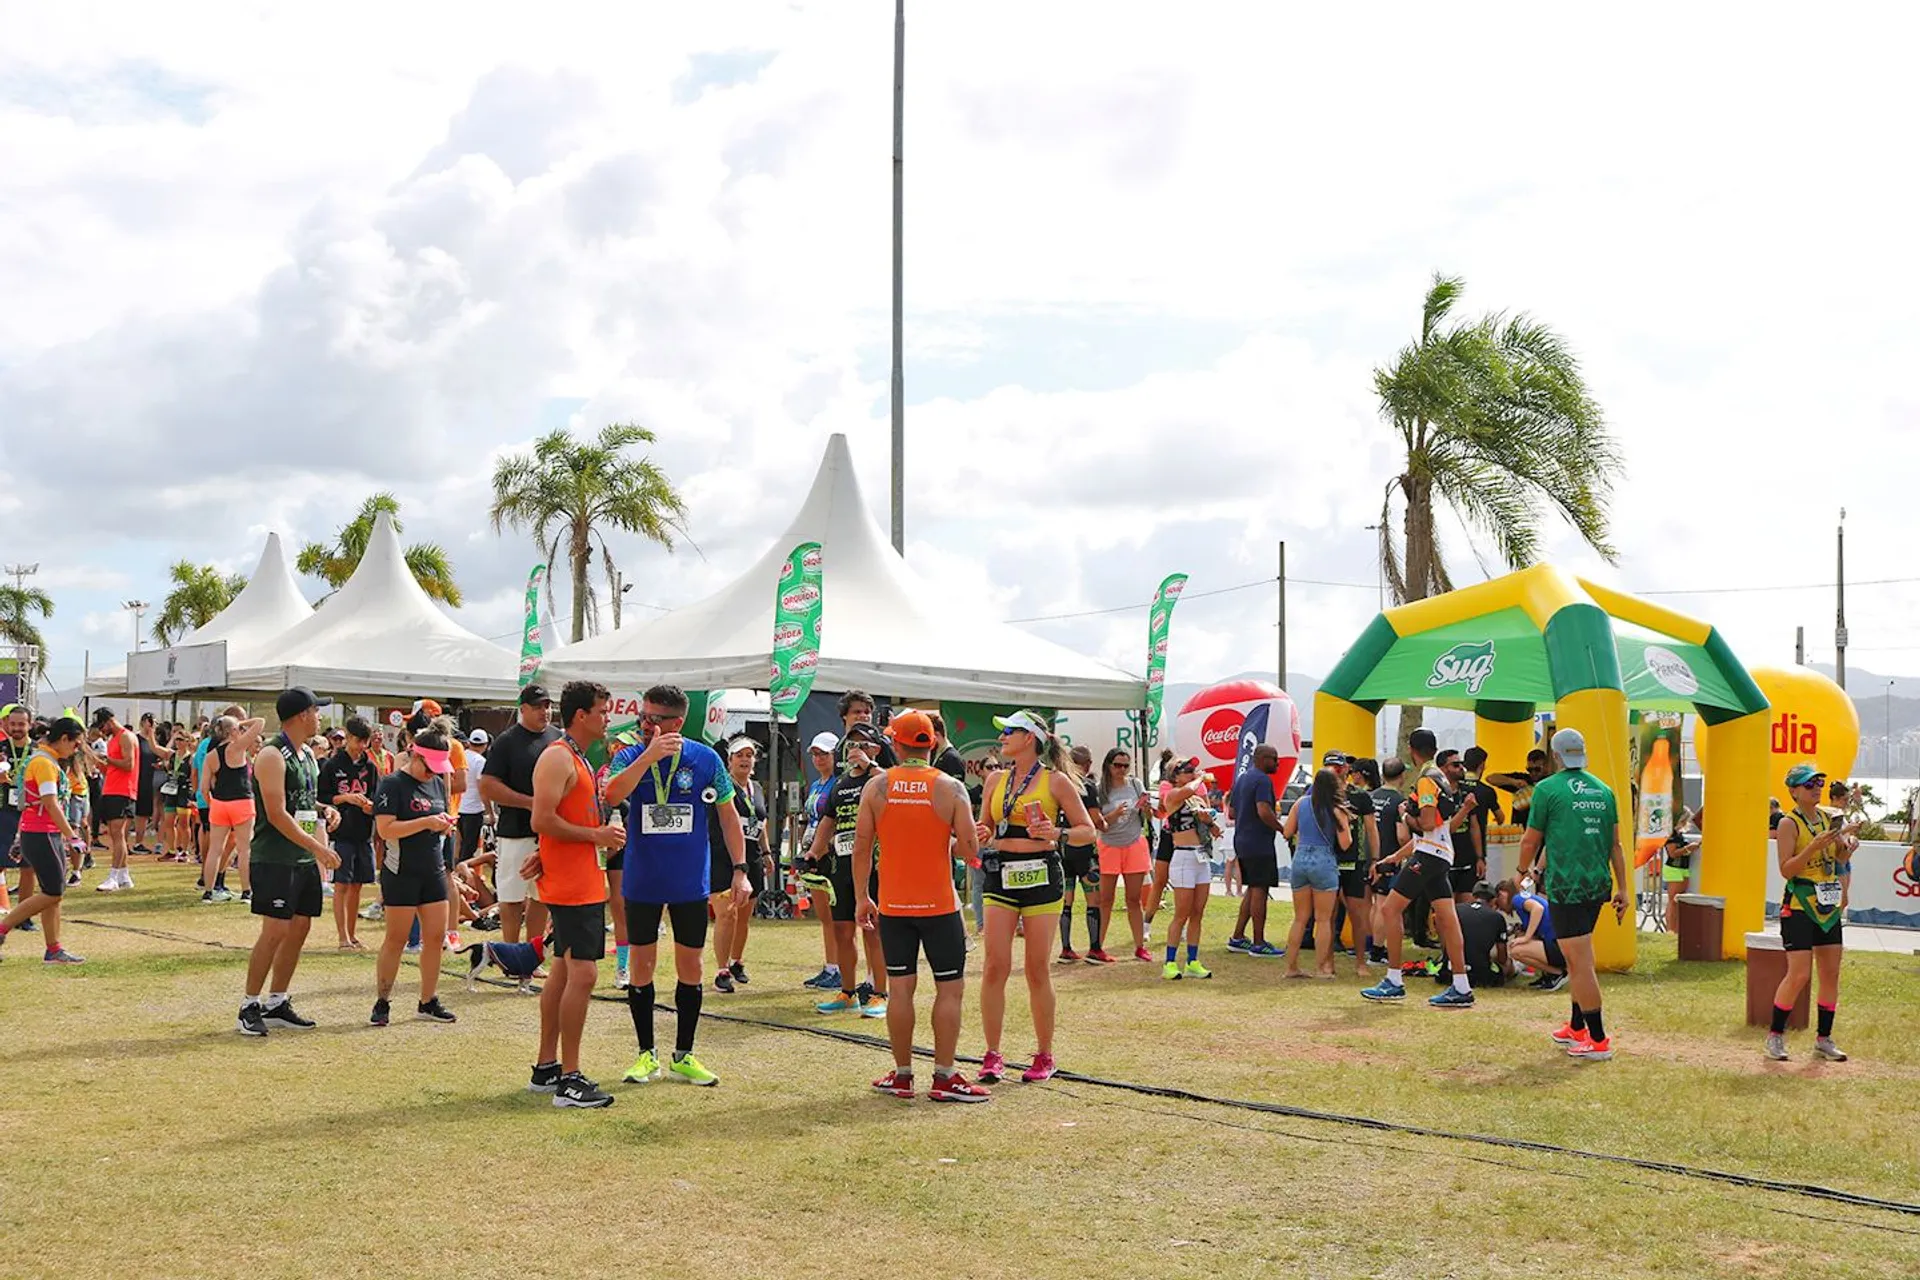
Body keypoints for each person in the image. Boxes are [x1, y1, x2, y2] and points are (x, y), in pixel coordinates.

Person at [603, 684, 748, 1087]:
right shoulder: (629, 754)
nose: (645, 723)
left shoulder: (706, 758)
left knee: (691, 965)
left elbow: (729, 815)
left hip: (689, 881)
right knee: (642, 966)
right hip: (642, 878)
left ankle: (684, 1054)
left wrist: (740, 869)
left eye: (654, 718)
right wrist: (648, 754)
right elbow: (612, 793)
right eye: (643, 716)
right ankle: (645, 1054)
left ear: (678, 722)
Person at [853, 710, 990, 1102]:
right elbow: (969, 852)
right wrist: (966, 838)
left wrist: (863, 896)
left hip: (894, 905)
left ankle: (903, 1074)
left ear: (895, 745)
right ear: (931, 744)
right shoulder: (951, 788)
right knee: (949, 989)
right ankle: (945, 1076)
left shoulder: (877, 787)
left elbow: (861, 847)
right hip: (939, 905)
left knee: (900, 990)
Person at [973, 710, 1095, 1082]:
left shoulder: (1056, 781)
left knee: (1037, 969)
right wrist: (979, 832)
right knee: (995, 965)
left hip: (1042, 872)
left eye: (1009, 731)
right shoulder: (996, 778)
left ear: (1030, 738)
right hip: (1001, 874)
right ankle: (992, 1054)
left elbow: (1087, 832)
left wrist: (1054, 833)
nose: (1003, 737)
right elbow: (986, 826)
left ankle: (1044, 1055)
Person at [524, 681, 627, 1108]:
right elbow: (541, 819)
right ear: (581, 715)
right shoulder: (557, 756)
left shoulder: (576, 757)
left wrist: (558, 850)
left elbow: (556, 822)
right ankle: (570, 1077)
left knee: (565, 973)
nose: (608, 717)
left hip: (577, 878)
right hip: (572, 885)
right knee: (581, 975)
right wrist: (597, 835)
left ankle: (548, 1066)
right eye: (602, 711)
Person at [1515, 728, 1629, 1062]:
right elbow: (1616, 845)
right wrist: (1623, 887)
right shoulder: (1604, 790)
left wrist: (1522, 873)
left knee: (1578, 961)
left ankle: (1597, 1038)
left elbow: (1530, 840)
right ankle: (1578, 1027)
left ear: (1555, 755)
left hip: (1567, 886)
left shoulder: (1547, 789)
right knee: (1580, 954)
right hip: (1597, 885)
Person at [235, 689, 342, 1036]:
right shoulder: (271, 755)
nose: (321, 717)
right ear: (299, 716)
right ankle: (249, 1004)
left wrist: (326, 811)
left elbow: (302, 805)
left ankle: (277, 1001)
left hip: (301, 857)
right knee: (275, 930)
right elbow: (277, 814)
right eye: (316, 711)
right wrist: (318, 848)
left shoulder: (308, 753)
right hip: (274, 857)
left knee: (300, 928)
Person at [1361, 728, 1478, 1009]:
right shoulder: (1440, 778)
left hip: (1428, 856)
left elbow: (1425, 824)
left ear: (1411, 750)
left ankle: (1394, 980)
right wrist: (1393, 857)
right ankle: (1461, 985)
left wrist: (1403, 813)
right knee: (1447, 919)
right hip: (1439, 854)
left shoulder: (1426, 780)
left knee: (1389, 909)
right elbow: (1435, 830)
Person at [363, 728, 458, 1026]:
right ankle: (382, 1000)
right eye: (429, 767)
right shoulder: (393, 784)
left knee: (434, 938)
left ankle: (428, 1000)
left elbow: (436, 822)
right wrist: (426, 822)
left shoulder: (438, 784)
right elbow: (385, 829)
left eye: (438, 769)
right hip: (400, 871)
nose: (433, 774)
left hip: (432, 870)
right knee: (396, 939)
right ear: (416, 755)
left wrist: (443, 827)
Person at [1764, 762, 1857, 1063]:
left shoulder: (1830, 818)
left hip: (1827, 904)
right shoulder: (1788, 824)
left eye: (1819, 783)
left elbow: (1838, 859)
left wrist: (1848, 847)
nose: (1817, 788)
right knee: (1799, 974)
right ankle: (1776, 1035)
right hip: (1800, 903)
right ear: (1793, 791)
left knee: (1831, 973)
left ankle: (1824, 1038)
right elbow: (1786, 869)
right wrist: (1812, 848)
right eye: (1809, 784)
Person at [802, 722, 891, 1017]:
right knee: (842, 929)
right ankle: (848, 992)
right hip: (842, 866)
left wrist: (872, 766)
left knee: (873, 930)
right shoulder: (840, 783)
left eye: (863, 745)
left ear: (876, 749)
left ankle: (879, 993)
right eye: (852, 745)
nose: (856, 750)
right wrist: (814, 851)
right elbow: (829, 819)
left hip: (875, 866)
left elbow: (892, 791)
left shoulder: (880, 777)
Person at [0, 715, 89, 963]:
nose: (76, 749)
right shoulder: (44, 763)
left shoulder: (46, 760)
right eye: (75, 743)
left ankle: (54, 949)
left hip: (44, 833)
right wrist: (72, 837)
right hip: (41, 833)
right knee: (53, 892)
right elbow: (49, 802)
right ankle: (2, 928)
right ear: (63, 739)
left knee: (54, 892)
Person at [479, 684, 561, 947]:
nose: (544, 711)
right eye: (538, 706)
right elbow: (488, 785)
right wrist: (527, 802)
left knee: (541, 896)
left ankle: (531, 954)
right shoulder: (507, 741)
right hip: (515, 831)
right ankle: (510, 952)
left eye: (547, 705)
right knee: (512, 895)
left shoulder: (558, 738)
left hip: (550, 831)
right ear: (522, 709)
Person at [710, 736, 769, 993]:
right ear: (729, 760)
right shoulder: (722, 786)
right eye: (739, 755)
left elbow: (761, 822)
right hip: (723, 857)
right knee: (726, 914)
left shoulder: (756, 788)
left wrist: (766, 852)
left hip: (752, 857)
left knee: (744, 915)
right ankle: (721, 969)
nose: (744, 759)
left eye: (749, 755)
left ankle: (736, 962)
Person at [1157, 758, 1222, 980]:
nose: (1193, 773)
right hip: (1183, 855)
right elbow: (1184, 793)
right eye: (1188, 771)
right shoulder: (1172, 794)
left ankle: (1193, 961)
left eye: (1193, 770)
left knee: (1197, 912)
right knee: (1181, 913)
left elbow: (1211, 828)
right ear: (1175, 775)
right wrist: (1200, 778)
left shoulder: (1196, 796)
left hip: (1200, 857)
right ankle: (1169, 962)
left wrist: (1209, 823)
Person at [1281, 768, 1348, 978]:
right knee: (1323, 919)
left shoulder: (1300, 803)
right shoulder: (1337, 809)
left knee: (1300, 918)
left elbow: (1286, 831)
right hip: (1324, 860)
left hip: (1300, 858)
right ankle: (1321, 968)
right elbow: (1346, 844)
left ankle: (1291, 967)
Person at [321, 716, 381, 949]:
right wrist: (346, 798)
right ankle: (342, 936)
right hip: (342, 833)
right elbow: (323, 798)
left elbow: (377, 799)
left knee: (357, 884)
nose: (362, 746)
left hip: (364, 833)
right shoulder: (332, 765)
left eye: (365, 741)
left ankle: (353, 934)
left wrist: (369, 807)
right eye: (358, 741)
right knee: (342, 885)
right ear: (348, 737)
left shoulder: (371, 767)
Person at [1091, 747, 1152, 964]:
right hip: (1108, 845)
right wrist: (1114, 815)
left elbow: (1149, 813)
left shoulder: (1136, 785)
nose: (1122, 769)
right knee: (1105, 900)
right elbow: (1098, 824)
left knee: (1134, 899)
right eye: (1117, 765)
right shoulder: (1100, 790)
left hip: (1134, 844)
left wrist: (1147, 808)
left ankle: (1140, 946)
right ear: (1108, 765)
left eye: (1126, 765)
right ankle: (1097, 947)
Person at [1226, 746, 1286, 957]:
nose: (1277, 763)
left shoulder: (1242, 778)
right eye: (1274, 759)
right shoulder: (1262, 780)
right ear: (1262, 759)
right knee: (1260, 889)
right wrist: (1282, 828)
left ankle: (1238, 937)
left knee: (1252, 889)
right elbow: (1263, 810)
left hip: (1242, 840)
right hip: (1258, 843)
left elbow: (1232, 812)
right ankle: (1259, 942)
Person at [202, 712, 266, 904]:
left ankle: (208, 892)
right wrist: (240, 723)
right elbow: (260, 722)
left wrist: (213, 804)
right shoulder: (237, 747)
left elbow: (204, 788)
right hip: (242, 802)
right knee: (245, 849)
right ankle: (247, 891)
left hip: (220, 804)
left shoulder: (211, 755)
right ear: (232, 732)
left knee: (215, 849)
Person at [797, 731, 843, 988]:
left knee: (836, 915)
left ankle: (839, 969)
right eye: (814, 753)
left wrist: (822, 846)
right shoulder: (816, 784)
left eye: (823, 753)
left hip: (832, 852)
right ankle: (830, 966)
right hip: (813, 851)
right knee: (824, 914)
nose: (818, 758)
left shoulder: (839, 782)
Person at [1056, 745, 1101, 963]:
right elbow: (1095, 820)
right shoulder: (1087, 786)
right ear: (1088, 764)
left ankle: (1066, 948)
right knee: (1093, 898)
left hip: (1062, 847)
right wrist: (1107, 821)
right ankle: (1095, 948)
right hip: (1084, 850)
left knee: (1067, 899)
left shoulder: (1057, 783)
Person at [87, 707, 140, 892]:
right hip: (112, 789)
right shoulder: (113, 740)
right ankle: (124, 876)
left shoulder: (126, 737)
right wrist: (98, 761)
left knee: (117, 835)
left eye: (102, 727)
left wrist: (107, 760)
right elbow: (111, 769)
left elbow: (129, 764)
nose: (102, 732)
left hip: (123, 791)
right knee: (116, 834)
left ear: (109, 721)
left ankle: (114, 876)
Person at [1496, 878, 1567, 990]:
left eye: (1498, 903)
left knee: (1516, 950)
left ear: (1502, 894)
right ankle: (1548, 975)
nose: (1500, 909)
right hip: (1560, 944)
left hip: (1558, 946)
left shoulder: (1517, 898)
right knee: (1520, 939)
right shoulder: (1525, 898)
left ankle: (1557, 973)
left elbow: (1538, 909)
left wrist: (1526, 938)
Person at [1452, 882, 1510, 988]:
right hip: (1482, 976)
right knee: (1507, 964)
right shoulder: (1497, 917)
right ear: (1493, 900)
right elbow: (1502, 957)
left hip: (1451, 973)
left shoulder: (1456, 909)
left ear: (1473, 896)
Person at [459, 728, 491, 864]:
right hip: (474, 810)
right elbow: (482, 788)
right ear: (485, 745)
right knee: (469, 847)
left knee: (458, 846)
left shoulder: (462, 756)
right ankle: (463, 877)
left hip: (458, 808)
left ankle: (456, 874)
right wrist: (490, 811)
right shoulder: (480, 761)